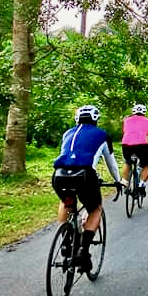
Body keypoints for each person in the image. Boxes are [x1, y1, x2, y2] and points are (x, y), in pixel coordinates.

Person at [52, 104, 123, 272]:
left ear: (77, 119)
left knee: (66, 203)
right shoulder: (102, 135)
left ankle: (66, 242)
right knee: (95, 209)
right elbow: (111, 163)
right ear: (96, 119)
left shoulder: (67, 133)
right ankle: (83, 251)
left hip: (59, 175)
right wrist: (118, 180)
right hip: (84, 176)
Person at [121, 103, 148, 197]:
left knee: (127, 163)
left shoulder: (126, 120)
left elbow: (126, 132)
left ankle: (125, 184)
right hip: (141, 145)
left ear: (133, 112)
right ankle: (142, 184)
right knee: (146, 164)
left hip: (126, 145)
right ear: (144, 112)